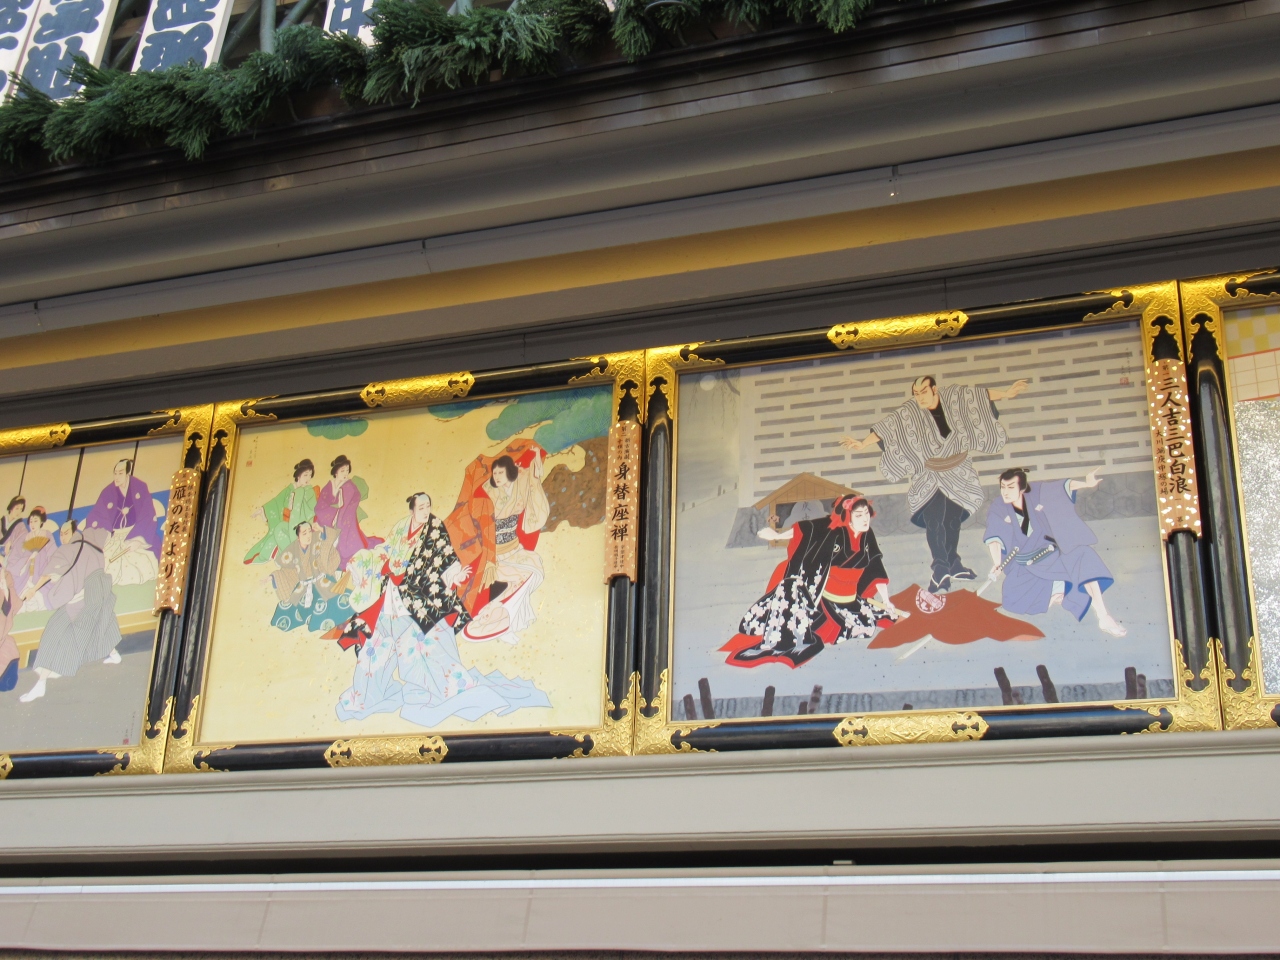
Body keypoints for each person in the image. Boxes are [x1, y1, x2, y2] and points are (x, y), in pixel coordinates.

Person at [335, 492, 551, 727]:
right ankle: (367, 697)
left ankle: (438, 692)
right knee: (374, 645)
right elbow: (385, 550)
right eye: (421, 507)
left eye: (428, 506)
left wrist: (454, 574)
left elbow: (446, 556)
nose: (426, 511)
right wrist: (361, 562)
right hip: (391, 596)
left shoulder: (434, 528)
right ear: (412, 509)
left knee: (423, 648)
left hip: (420, 599)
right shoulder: (400, 528)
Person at [841, 374, 1028, 594]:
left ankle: (953, 563)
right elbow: (888, 427)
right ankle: (940, 568)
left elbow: (979, 396)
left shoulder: (954, 398)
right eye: (916, 394)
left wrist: (1005, 394)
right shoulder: (910, 412)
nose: (920, 397)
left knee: (952, 520)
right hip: (929, 476)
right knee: (935, 520)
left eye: (924, 392)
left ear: (934, 389)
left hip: (959, 472)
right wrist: (863, 444)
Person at [722, 496, 909, 667]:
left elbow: (876, 567)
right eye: (858, 515)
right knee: (791, 593)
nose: (865, 519)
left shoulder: (868, 535)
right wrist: (778, 536)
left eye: (866, 513)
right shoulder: (833, 530)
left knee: (873, 619)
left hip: (850, 600)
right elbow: (807, 530)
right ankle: (780, 638)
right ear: (848, 516)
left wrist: (886, 600)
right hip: (824, 598)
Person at [983, 467, 1127, 637]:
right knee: (1014, 599)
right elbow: (994, 536)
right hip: (1025, 567)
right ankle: (1060, 592)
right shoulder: (999, 506)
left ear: (1022, 488)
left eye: (1011, 487)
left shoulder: (1035, 492)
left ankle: (1103, 616)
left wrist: (1086, 484)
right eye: (1003, 487)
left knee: (1084, 556)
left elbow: (1061, 487)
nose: (1005, 492)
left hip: (1051, 555)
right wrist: (997, 563)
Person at [446, 442, 550, 645]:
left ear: (510, 471)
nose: (497, 477)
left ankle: (499, 615)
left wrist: (536, 456)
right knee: (517, 580)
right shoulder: (489, 493)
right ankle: (492, 615)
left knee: (533, 573)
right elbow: (482, 524)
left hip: (515, 549)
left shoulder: (520, 481)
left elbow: (535, 475)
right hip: (495, 553)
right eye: (495, 473)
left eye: (501, 472)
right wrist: (490, 560)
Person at [17, 522, 122, 703]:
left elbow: (49, 573)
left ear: (73, 532)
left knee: (54, 633)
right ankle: (114, 654)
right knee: (98, 625)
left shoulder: (68, 550)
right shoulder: (92, 540)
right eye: (61, 533)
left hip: (80, 600)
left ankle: (41, 684)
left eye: (65, 533)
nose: (62, 537)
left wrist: (33, 589)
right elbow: (106, 533)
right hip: (96, 595)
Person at [269, 521, 345, 632]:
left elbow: (329, 539)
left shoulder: (316, 538)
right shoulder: (293, 549)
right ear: (298, 536)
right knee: (290, 607)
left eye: (310, 531)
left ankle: (326, 622)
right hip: (303, 586)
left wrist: (320, 528)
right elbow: (286, 569)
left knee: (332, 602)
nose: (309, 535)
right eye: (304, 533)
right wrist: (274, 576)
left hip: (320, 581)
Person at [84, 459, 165, 559]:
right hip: (113, 536)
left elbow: (148, 513)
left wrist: (137, 540)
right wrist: (104, 537)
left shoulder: (140, 487)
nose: (117, 477)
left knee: (145, 558)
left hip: (136, 533)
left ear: (127, 473)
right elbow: (97, 515)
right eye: (115, 473)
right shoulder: (107, 492)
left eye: (120, 473)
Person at [314, 455, 381, 570]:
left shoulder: (349, 485)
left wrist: (339, 512)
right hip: (329, 517)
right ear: (336, 472)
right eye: (342, 470)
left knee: (344, 536)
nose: (345, 473)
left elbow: (350, 502)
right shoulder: (329, 485)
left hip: (346, 517)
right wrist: (333, 511)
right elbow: (321, 504)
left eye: (347, 470)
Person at [245, 459, 317, 565]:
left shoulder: (309, 491)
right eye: (305, 475)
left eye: (310, 475)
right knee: (278, 529)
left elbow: (312, 510)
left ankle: (292, 557)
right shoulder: (289, 489)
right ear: (298, 475)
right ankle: (288, 556)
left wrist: (298, 497)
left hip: (302, 525)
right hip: (288, 524)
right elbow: (276, 502)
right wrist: (263, 510)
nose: (308, 478)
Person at [6, 507, 58, 613]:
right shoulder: (26, 537)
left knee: (42, 601)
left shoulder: (47, 534)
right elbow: (17, 556)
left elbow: (52, 555)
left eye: (35, 521)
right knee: (21, 600)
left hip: (41, 572)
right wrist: (29, 558)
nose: (32, 524)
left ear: (41, 521)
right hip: (26, 574)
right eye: (31, 521)